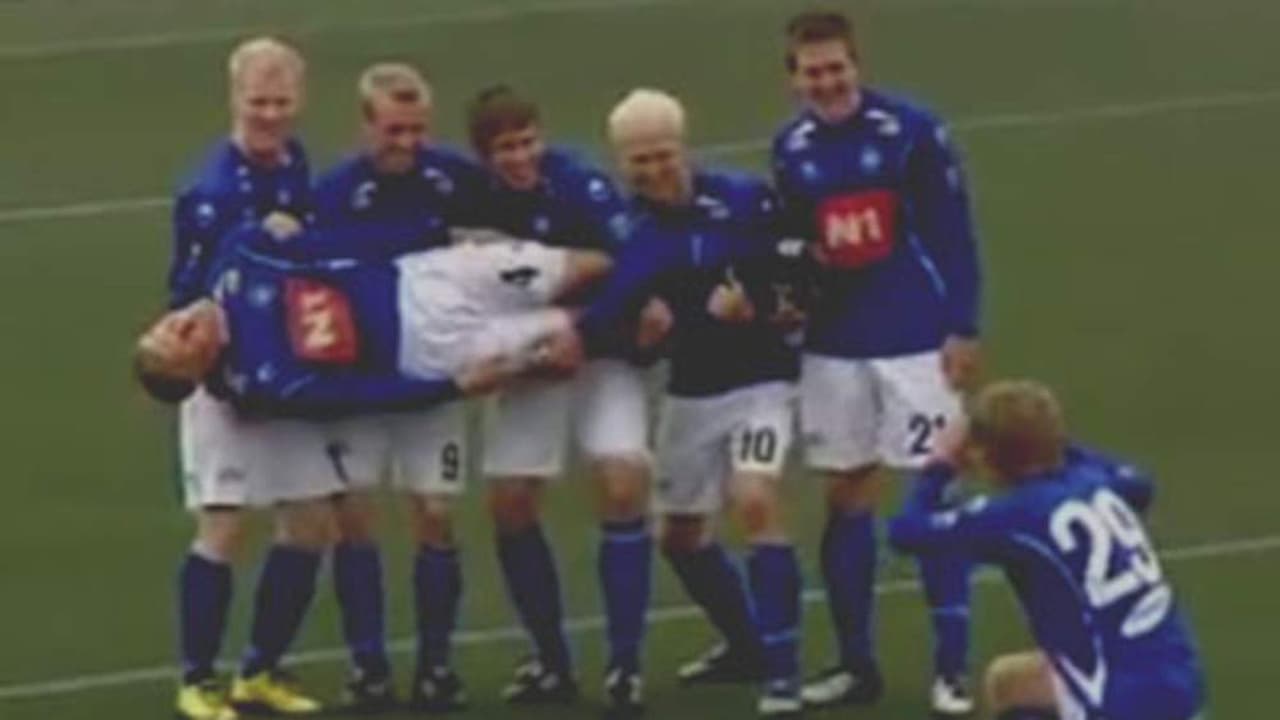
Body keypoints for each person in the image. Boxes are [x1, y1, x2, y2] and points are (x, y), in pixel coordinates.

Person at [770, 10, 983, 714]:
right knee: (845, 496)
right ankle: (855, 664)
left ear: (856, 65)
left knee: (935, 494)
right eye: (813, 72)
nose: (827, 82)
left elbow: (952, 230)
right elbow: (792, 244)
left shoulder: (912, 130)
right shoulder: (790, 149)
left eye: (837, 67)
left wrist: (963, 326)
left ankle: (952, 668)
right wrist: (793, 297)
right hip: (833, 348)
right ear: (794, 78)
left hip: (915, 340)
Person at [578, 88, 808, 718]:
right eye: (639, 160)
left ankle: (783, 674)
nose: (654, 170)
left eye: (663, 154)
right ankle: (746, 645)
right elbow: (611, 319)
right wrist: (643, 335)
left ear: (685, 146)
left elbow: (799, 267)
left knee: (754, 499)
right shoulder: (624, 229)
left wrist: (767, 305)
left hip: (763, 382)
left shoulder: (743, 200)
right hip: (693, 390)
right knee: (679, 536)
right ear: (620, 160)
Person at [308, 62, 494, 713]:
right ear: (366, 126)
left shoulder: (453, 179)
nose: (408, 143)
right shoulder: (334, 192)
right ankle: (369, 667)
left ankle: (437, 665)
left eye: (417, 129)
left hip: (433, 378)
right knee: (353, 518)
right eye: (394, 130)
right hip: (358, 384)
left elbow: (504, 241)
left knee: (436, 515)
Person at [155, 36, 328, 720]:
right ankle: (197, 680)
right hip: (224, 382)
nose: (271, 115)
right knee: (224, 527)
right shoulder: (211, 190)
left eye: (282, 101)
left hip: (287, 373)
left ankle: (261, 670)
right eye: (259, 102)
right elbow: (190, 294)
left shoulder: (295, 162)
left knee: (309, 522)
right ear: (235, 98)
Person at [465, 85, 653, 714]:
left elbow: (633, 262)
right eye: (506, 149)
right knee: (511, 501)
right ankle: (551, 659)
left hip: (599, 351)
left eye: (527, 143)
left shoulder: (578, 183)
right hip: (529, 360)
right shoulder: (472, 197)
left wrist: (583, 330)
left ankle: (625, 665)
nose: (521, 158)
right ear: (484, 155)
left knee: (622, 484)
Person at [888, 380, 1206, 720]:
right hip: (1177, 676)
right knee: (1010, 682)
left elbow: (906, 532)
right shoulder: (1096, 479)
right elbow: (1141, 485)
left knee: (1026, 683)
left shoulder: (1015, 517)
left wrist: (940, 464)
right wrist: (1052, 441)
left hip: (1119, 699)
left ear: (987, 455)